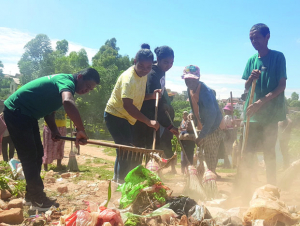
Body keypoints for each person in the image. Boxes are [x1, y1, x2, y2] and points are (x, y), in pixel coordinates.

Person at [3, 68, 100, 211]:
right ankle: (37, 199)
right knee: (29, 156)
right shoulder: (66, 82)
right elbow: (67, 102)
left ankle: (31, 196)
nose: (87, 90)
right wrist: (81, 130)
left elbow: (49, 113)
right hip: (16, 112)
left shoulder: (63, 86)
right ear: (80, 77)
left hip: (26, 115)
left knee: (37, 155)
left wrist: (55, 131)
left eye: (90, 89)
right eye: (87, 86)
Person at [104, 44, 160, 184]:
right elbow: (128, 105)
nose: (145, 70)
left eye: (148, 67)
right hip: (115, 116)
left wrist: (151, 96)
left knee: (124, 151)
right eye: (141, 66)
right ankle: (122, 183)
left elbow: (138, 97)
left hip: (126, 118)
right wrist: (148, 121)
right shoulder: (129, 78)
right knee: (127, 151)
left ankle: (118, 181)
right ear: (135, 61)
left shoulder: (142, 75)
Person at [241, 23, 287, 185]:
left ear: (267, 37)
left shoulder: (278, 57)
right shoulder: (251, 60)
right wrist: (250, 79)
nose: (254, 41)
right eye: (251, 39)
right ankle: (247, 187)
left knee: (269, 153)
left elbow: (281, 86)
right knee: (248, 153)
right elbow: (246, 87)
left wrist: (261, 102)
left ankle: (271, 187)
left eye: (257, 37)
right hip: (251, 115)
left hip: (270, 115)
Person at [133, 46, 178, 150]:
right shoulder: (152, 74)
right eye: (166, 62)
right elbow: (154, 101)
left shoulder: (161, 72)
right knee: (142, 150)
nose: (169, 65)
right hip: (144, 117)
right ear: (158, 60)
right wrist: (169, 125)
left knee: (154, 150)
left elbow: (161, 95)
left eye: (171, 62)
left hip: (154, 117)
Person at [182, 65, 224, 176]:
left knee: (210, 155)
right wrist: (191, 113)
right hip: (203, 127)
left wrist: (202, 135)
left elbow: (212, 115)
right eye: (187, 79)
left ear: (198, 78)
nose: (189, 82)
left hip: (213, 127)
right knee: (200, 155)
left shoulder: (206, 93)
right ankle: (201, 177)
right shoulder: (189, 89)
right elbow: (194, 105)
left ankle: (210, 178)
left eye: (192, 79)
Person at [43, 106, 67, 171]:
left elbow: (69, 113)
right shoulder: (52, 102)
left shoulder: (65, 104)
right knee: (48, 146)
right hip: (50, 127)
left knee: (60, 145)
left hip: (62, 126)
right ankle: (45, 166)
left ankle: (59, 165)